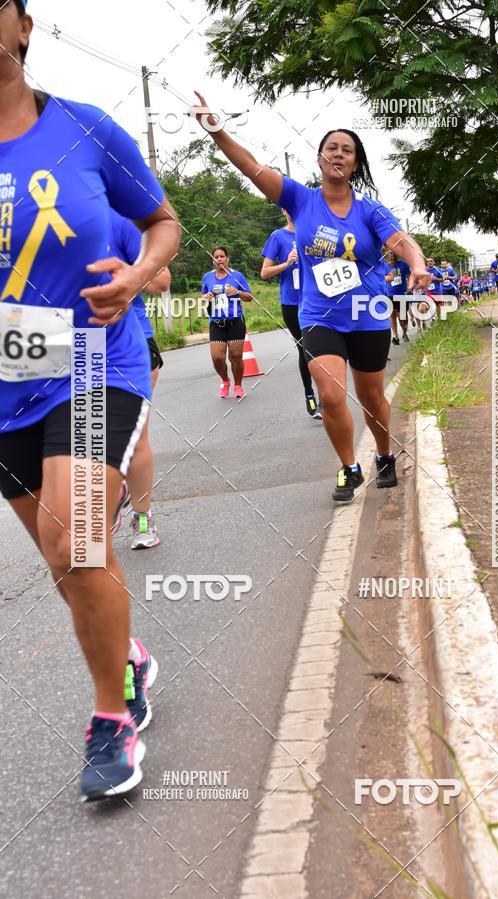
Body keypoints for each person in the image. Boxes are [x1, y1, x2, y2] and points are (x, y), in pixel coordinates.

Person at [0, 1, 181, 801]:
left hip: (91, 356)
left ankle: (112, 715)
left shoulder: (83, 128)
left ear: (23, 26)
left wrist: (139, 275)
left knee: (73, 534)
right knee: (68, 561)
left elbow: (162, 221)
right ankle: (129, 655)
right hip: (8, 379)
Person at [193, 92, 429, 501]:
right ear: (320, 158)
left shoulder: (369, 210)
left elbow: (403, 241)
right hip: (320, 314)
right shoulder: (299, 200)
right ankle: (349, 467)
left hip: (366, 312)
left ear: (356, 164)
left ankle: (385, 455)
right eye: (331, 148)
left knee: (372, 395)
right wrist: (217, 130)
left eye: (348, 151)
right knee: (332, 394)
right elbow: (251, 167)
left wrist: (419, 264)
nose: (339, 155)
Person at [109, 210, 170, 549]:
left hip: (130, 342)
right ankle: (113, 488)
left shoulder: (123, 224)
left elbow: (161, 281)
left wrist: (124, 275)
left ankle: (142, 518)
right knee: (85, 436)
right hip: (78, 342)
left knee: (135, 435)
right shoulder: (51, 221)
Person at [261, 209, 321, 419]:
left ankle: (326, 397)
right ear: (283, 210)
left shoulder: (313, 234)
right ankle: (309, 394)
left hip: (317, 300)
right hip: (292, 303)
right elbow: (264, 272)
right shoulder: (278, 236)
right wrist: (286, 264)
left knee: (322, 347)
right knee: (305, 348)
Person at [201, 247, 252, 399]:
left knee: (236, 356)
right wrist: (206, 297)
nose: (219, 259)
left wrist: (237, 292)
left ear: (227, 258)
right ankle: (225, 380)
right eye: (216, 257)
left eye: (222, 256)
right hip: (216, 321)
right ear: (213, 260)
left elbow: (249, 296)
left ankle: (238, 385)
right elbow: (203, 294)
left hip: (235, 320)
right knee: (217, 357)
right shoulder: (207, 277)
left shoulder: (237, 276)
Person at [384, 249, 411, 343]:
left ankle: (404, 332)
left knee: (403, 317)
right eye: (389, 253)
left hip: (402, 294)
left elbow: (409, 276)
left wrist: (410, 287)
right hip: (389, 294)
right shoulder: (385, 266)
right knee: (392, 315)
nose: (391, 254)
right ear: (386, 254)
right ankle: (395, 335)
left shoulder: (403, 264)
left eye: (393, 252)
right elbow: (382, 279)